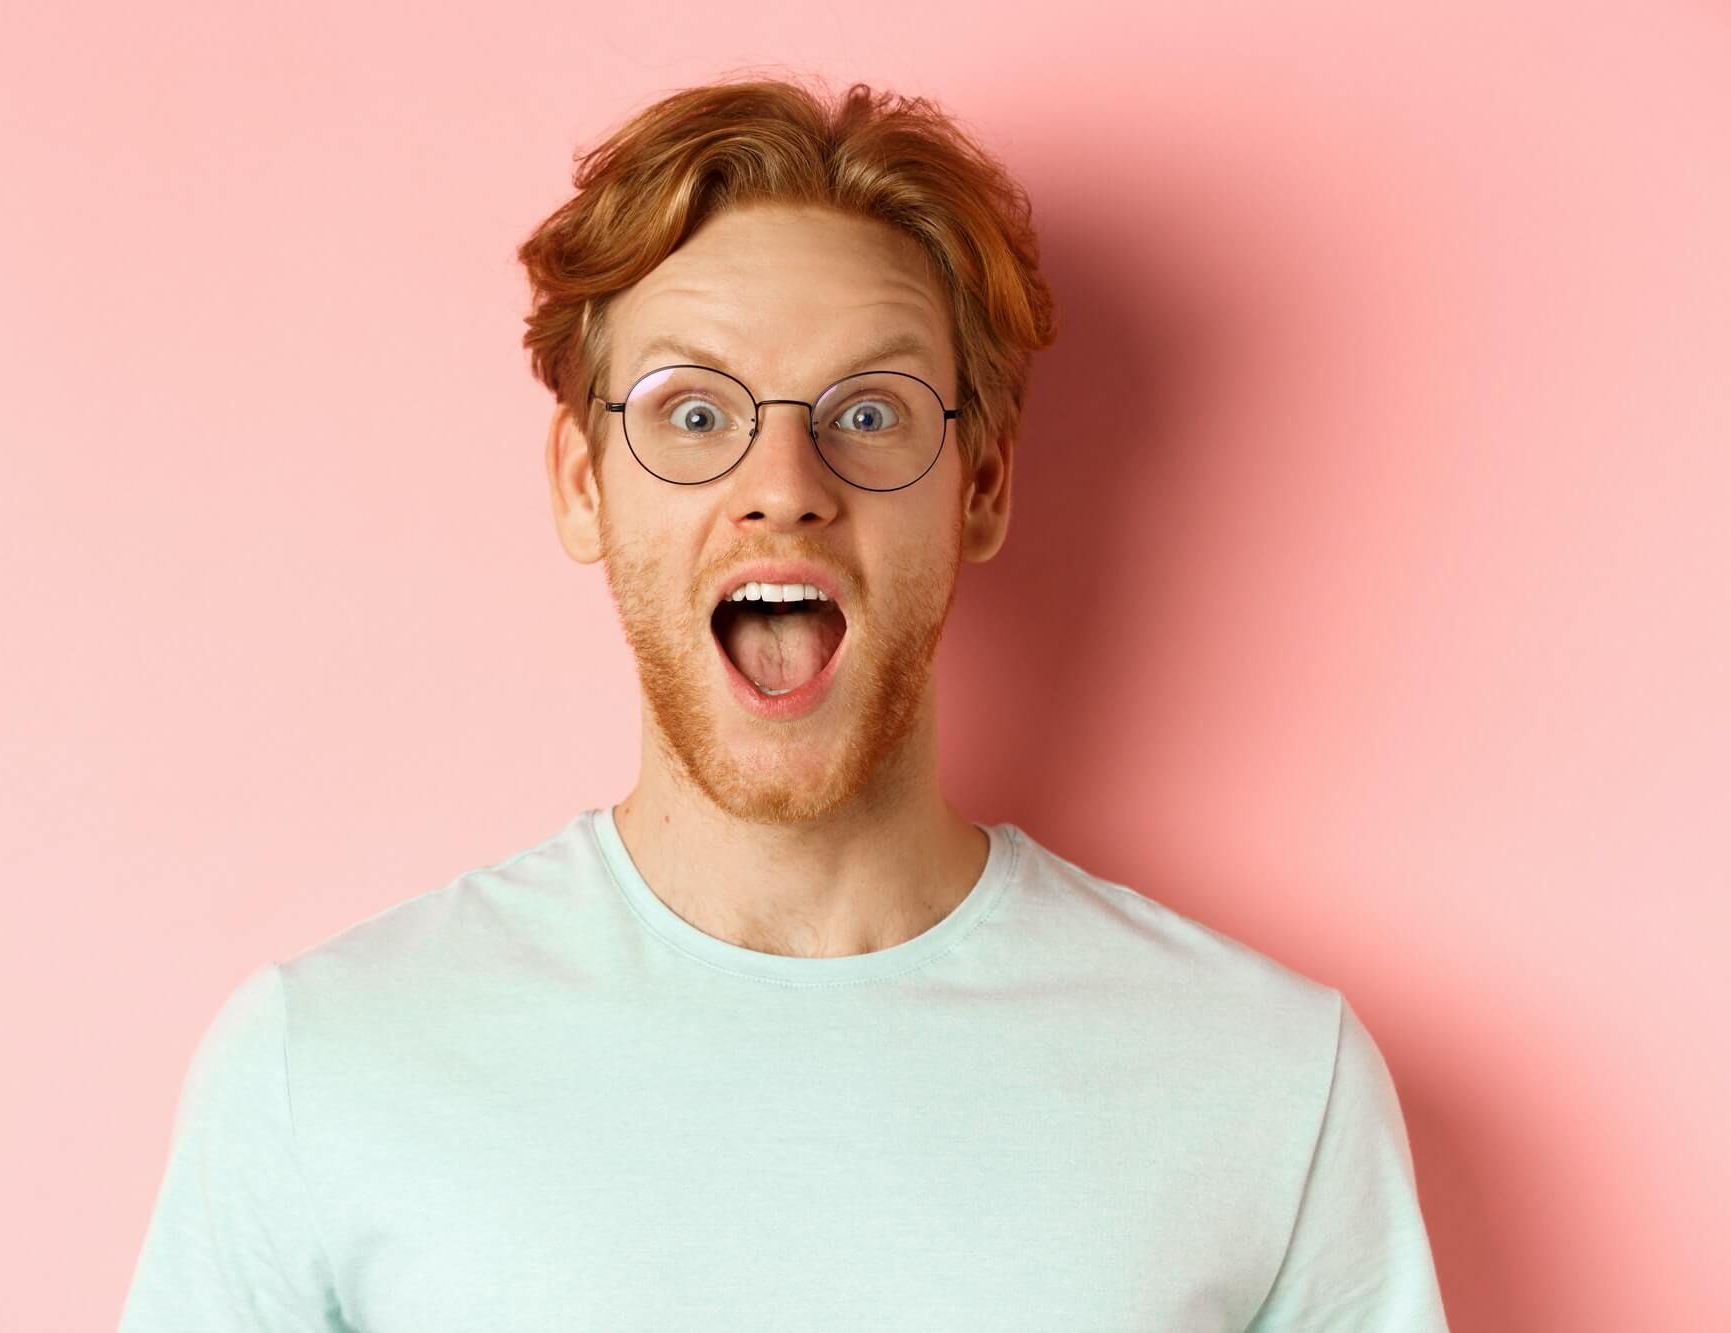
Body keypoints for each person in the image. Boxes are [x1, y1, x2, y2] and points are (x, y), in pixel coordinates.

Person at [118, 76, 1450, 1331]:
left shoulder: (1266, 1080)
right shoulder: (328, 1062)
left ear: (980, 484)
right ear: (585, 483)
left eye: (868, 414)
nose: (784, 483)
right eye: (693, 414)